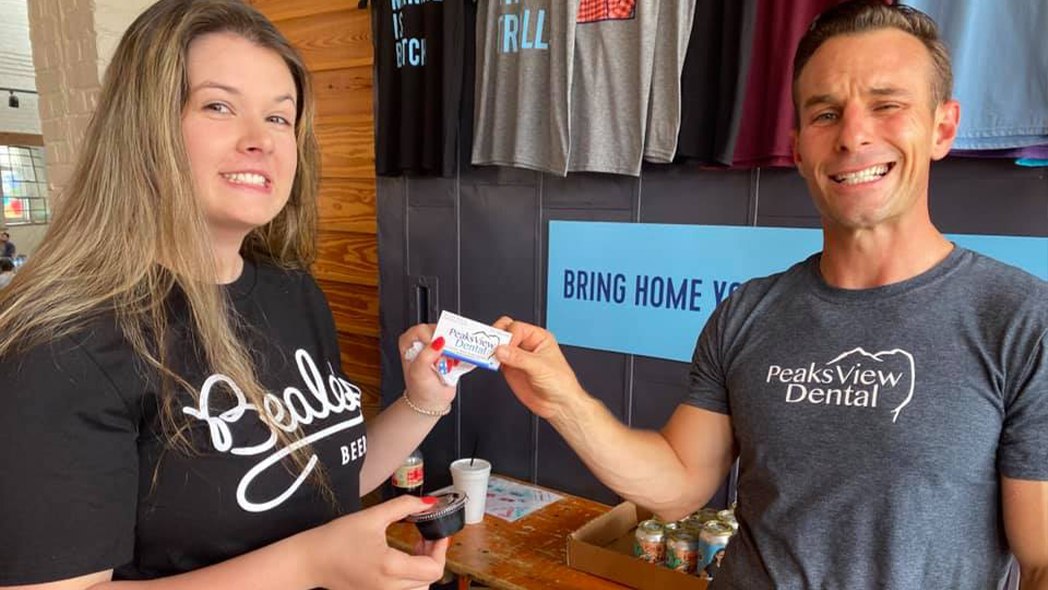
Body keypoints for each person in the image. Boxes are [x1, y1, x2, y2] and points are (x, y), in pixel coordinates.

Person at [492, 2, 1048, 588]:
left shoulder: (1020, 321)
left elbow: (1040, 561)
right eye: (826, 113)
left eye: (887, 106)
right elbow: (680, 484)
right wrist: (564, 402)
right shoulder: (748, 312)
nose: (854, 135)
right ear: (800, 146)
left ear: (942, 127)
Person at [0, 1, 455, 588]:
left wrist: (424, 401)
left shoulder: (292, 291)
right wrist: (309, 564)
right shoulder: (63, 344)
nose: (260, 141)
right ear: (143, 127)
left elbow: (329, 478)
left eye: (279, 118)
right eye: (218, 106)